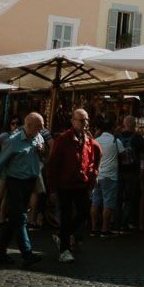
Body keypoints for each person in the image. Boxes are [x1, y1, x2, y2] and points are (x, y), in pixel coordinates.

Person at [45, 109, 101, 263]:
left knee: (83, 213)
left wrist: (90, 183)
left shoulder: (88, 141)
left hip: (80, 185)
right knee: (66, 216)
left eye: (86, 120)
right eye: (81, 120)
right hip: (65, 185)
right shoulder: (63, 140)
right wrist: (53, 189)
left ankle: (63, 235)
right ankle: (64, 250)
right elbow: (53, 165)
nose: (85, 123)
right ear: (73, 121)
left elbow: (90, 162)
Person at [0, 112, 46, 267]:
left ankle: (1, 252)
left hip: (30, 182)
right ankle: (27, 253)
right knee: (21, 217)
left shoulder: (38, 138)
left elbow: (41, 158)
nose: (42, 128)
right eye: (39, 125)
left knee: (14, 219)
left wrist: (42, 152)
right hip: (15, 182)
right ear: (28, 125)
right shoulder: (13, 142)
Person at [90, 118, 124, 237]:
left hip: (97, 175)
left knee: (95, 203)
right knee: (108, 204)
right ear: (112, 128)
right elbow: (123, 156)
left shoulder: (96, 140)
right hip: (110, 177)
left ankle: (94, 229)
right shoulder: (115, 141)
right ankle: (105, 229)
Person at [115, 115, 144, 231]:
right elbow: (142, 156)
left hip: (119, 171)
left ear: (124, 124)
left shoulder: (117, 137)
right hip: (133, 172)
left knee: (118, 200)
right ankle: (125, 225)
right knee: (129, 200)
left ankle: (116, 224)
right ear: (134, 125)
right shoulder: (138, 138)